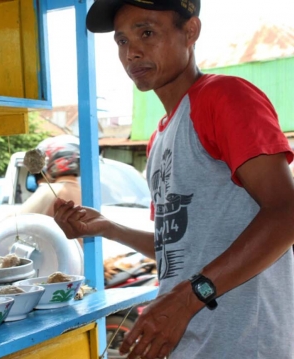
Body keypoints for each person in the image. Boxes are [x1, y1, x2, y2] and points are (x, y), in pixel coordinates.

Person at [53, 1, 294, 358]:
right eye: (121, 41)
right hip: (191, 344)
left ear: (191, 31)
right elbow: (179, 249)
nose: (132, 53)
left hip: (245, 344)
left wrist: (187, 298)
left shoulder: (225, 98)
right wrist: (108, 228)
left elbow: (286, 212)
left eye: (146, 33)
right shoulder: (160, 138)